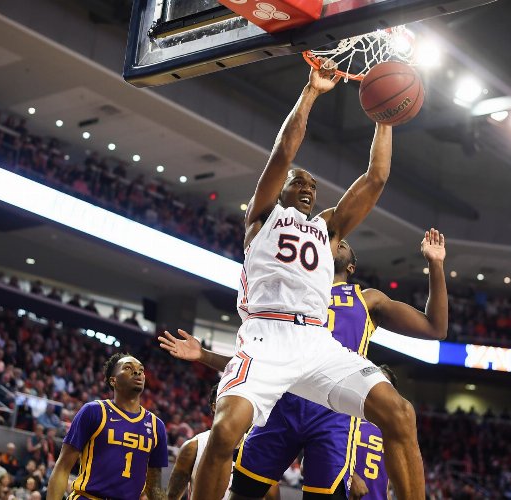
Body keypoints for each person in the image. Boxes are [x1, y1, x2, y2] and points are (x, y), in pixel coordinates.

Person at [186, 60, 424, 499]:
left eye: (313, 185)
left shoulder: (328, 229)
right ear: (281, 191)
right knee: (224, 433)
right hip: (265, 335)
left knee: (400, 414)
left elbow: (376, 177)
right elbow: (283, 154)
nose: (308, 187)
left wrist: (384, 120)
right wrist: (312, 92)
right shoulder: (262, 218)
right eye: (300, 182)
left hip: (316, 341)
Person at [160, 229, 447, 498]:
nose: (338, 241)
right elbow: (255, 361)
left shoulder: (367, 298)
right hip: (281, 404)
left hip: (332, 414)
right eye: (334, 239)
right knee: (243, 493)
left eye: (344, 243)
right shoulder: (291, 291)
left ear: (351, 268)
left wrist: (435, 265)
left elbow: (435, 328)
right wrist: (204, 355)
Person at [46, 353, 169, 500]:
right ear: (113, 380)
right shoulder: (94, 411)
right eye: (128, 368)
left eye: (141, 370)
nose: (137, 372)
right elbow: (62, 468)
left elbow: (154, 487)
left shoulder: (157, 426)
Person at [345, 365, 397, 500]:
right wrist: (352, 476)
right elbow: (310, 461)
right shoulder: (346, 416)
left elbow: (386, 484)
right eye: (375, 381)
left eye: (385, 384)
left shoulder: (392, 431)